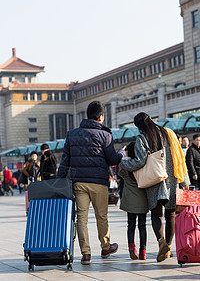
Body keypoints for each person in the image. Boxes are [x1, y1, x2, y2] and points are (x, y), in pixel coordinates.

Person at [57, 101, 125, 265]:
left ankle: (86, 254)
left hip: (79, 182)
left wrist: (58, 181)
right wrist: (122, 152)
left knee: (82, 218)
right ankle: (105, 247)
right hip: (98, 182)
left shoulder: (71, 134)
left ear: (87, 115)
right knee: (101, 216)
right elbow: (113, 159)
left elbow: (65, 161)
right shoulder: (105, 135)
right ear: (101, 117)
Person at [120, 112, 187, 262]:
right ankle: (168, 247)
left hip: (155, 181)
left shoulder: (142, 138)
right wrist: (185, 181)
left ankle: (161, 242)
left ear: (139, 127)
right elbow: (180, 157)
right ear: (150, 119)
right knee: (170, 215)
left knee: (156, 215)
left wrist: (122, 162)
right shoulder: (168, 133)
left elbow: (139, 162)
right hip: (172, 179)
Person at [119, 142, 148, 261]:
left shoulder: (126, 166)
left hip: (130, 200)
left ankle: (131, 246)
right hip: (143, 200)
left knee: (131, 225)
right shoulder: (144, 165)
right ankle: (143, 251)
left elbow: (120, 172)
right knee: (142, 226)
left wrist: (123, 154)